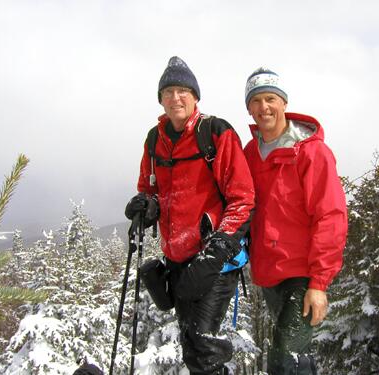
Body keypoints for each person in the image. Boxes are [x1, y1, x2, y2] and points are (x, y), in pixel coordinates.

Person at [125, 56, 255, 375]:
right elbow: (151, 189)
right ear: (161, 100)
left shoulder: (214, 132)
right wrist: (145, 206)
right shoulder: (155, 140)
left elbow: (243, 199)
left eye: (183, 90)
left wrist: (214, 256)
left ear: (195, 96)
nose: (175, 98)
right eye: (168, 92)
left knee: (204, 346)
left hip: (216, 257)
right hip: (177, 259)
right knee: (191, 346)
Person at [243, 67, 348, 375]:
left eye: (271, 99)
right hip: (268, 273)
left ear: (284, 103)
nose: (264, 108)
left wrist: (319, 282)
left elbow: (330, 215)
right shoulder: (250, 153)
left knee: (283, 357)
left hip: (302, 273)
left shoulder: (312, 152)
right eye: (257, 101)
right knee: (297, 358)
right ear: (249, 108)